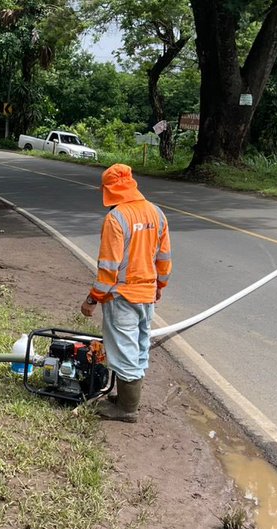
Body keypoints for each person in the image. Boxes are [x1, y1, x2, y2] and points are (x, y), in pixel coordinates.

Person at [79, 164, 171, 423]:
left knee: (124, 351)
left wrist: (92, 299)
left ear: (108, 190)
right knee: (139, 348)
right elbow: (164, 259)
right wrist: (159, 286)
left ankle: (127, 409)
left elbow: (109, 268)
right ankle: (124, 399)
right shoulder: (157, 213)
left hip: (122, 297)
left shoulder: (116, 218)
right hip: (146, 294)